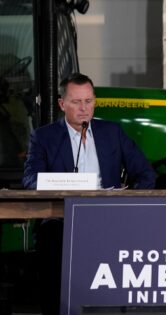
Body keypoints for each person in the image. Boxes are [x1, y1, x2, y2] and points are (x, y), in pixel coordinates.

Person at [22, 73, 156, 314]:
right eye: (76, 102)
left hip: (108, 221)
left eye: (89, 101)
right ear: (62, 104)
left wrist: (128, 204)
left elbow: (146, 174)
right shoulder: (44, 137)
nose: (84, 109)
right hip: (60, 222)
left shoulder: (112, 132)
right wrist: (59, 185)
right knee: (53, 268)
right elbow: (30, 179)